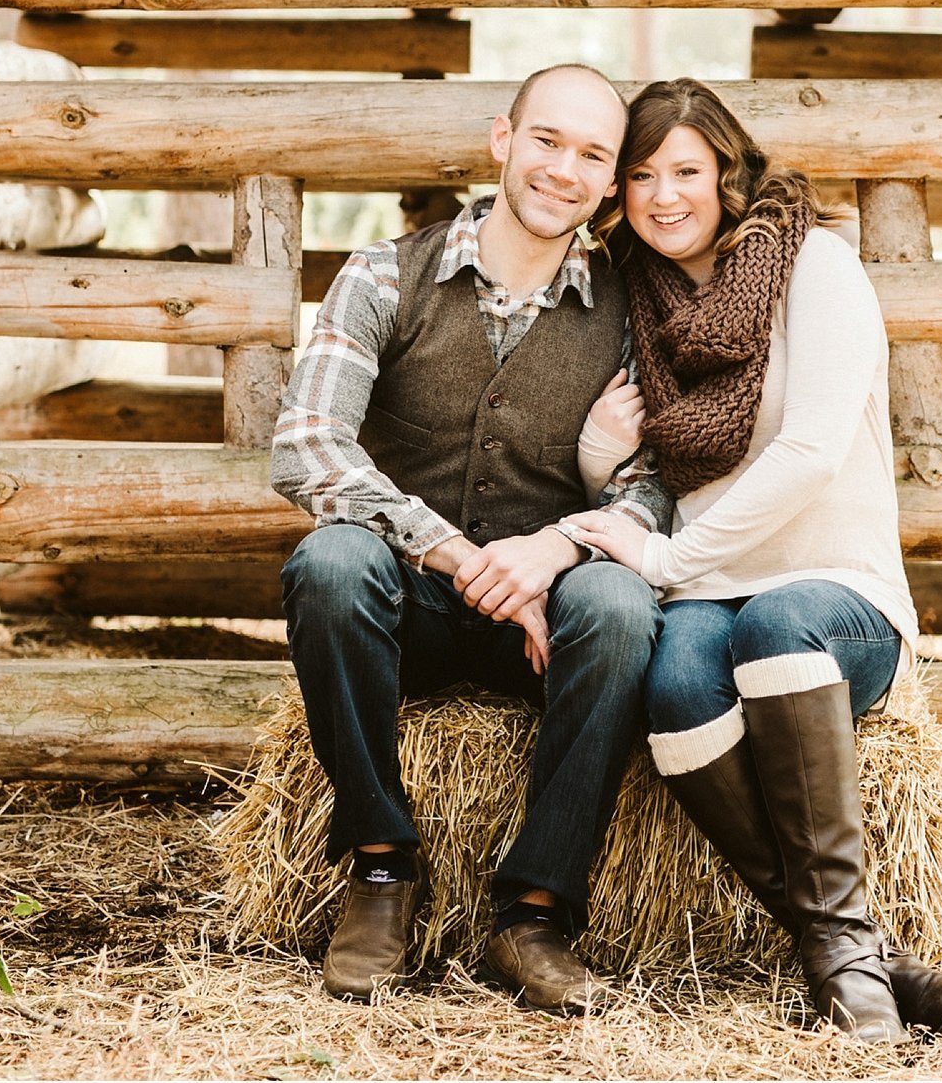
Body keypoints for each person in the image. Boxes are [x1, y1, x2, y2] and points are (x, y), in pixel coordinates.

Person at [570, 78, 942, 1043]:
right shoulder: (640, 305)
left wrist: (667, 561)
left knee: (773, 623)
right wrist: (596, 459)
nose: (664, 196)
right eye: (640, 175)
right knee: (672, 680)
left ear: (727, 172)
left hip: (838, 593)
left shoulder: (817, 267)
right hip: (707, 586)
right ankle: (854, 951)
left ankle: (842, 966)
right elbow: (643, 479)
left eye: (686, 171)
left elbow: (812, 451)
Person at [271, 64, 668, 1015]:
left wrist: (560, 548)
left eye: (591, 156)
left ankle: (534, 912)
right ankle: (379, 868)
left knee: (618, 605)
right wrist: (453, 552)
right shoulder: (380, 275)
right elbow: (306, 445)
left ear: (611, 183)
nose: (563, 170)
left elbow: (656, 487)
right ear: (503, 140)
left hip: (543, 628)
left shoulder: (630, 310)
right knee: (330, 561)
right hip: (405, 610)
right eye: (546, 140)